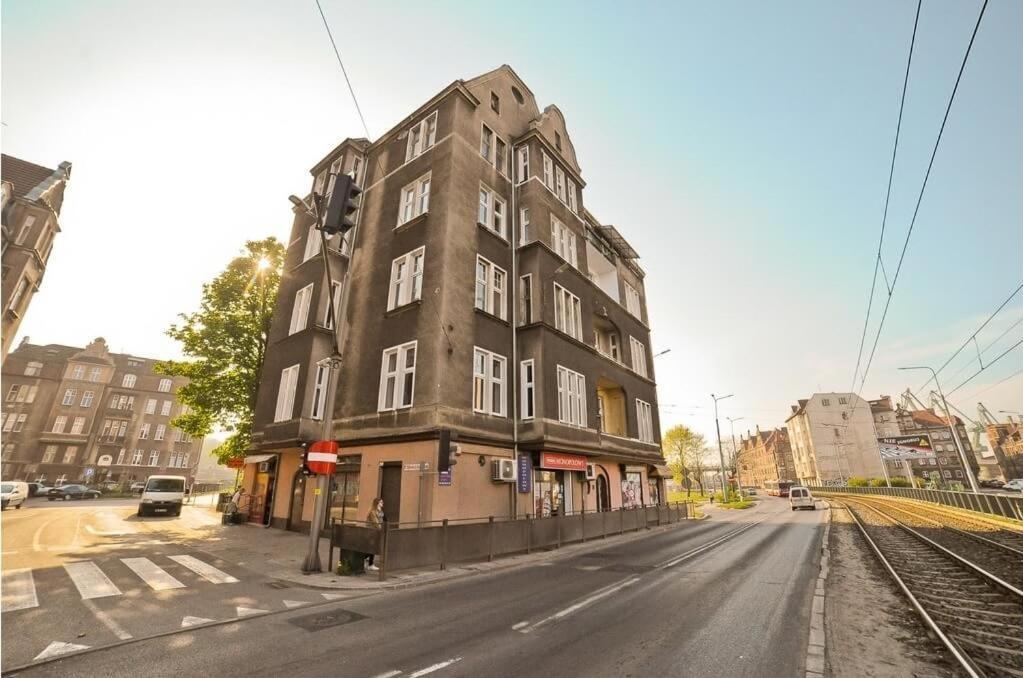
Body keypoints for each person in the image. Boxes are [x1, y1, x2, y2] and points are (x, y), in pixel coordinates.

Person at [365, 498, 384, 572]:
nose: (382, 503)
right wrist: (382, 529)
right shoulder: (372, 512)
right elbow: (376, 523)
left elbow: (383, 520)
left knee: (372, 548)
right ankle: (368, 563)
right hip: (371, 532)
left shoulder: (379, 511)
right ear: (377, 503)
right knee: (371, 548)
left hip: (375, 532)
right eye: (381, 502)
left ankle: (369, 564)